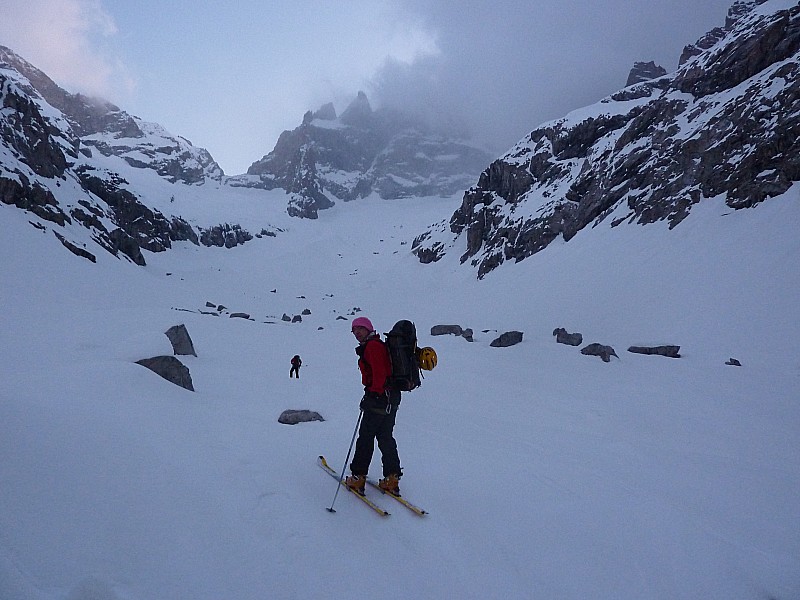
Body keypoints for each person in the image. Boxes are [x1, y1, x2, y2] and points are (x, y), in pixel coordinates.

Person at [344, 316, 402, 496]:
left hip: (379, 398)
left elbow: (379, 374)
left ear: (369, 328)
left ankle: (358, 476)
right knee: (385, 436)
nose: (357, 333)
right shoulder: (377, 345)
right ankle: (392, 478)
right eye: (354, 330)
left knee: (366, 437)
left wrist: (372, 394)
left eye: (360, 328)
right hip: (391, 398)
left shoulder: (373, 347)